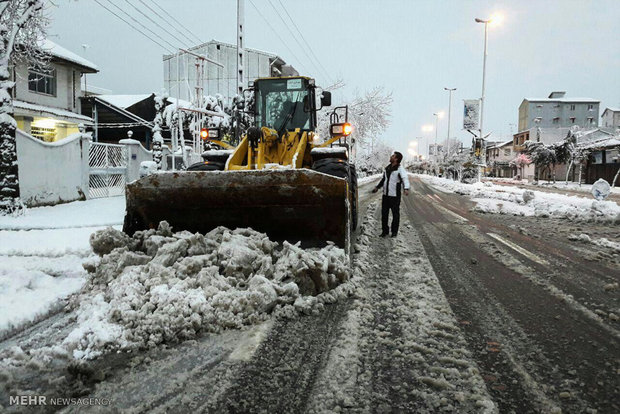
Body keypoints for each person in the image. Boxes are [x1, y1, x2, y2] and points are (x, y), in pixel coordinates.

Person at [372, 151, 410, 237]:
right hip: (386, 195)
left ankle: (394, 232)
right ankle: (385, 231)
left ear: (396, 159)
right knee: (384, 214)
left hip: (395, 196)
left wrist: (406, 188)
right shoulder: (387, 168)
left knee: (395, 215)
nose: (391, 157)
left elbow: (405, 179)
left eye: (393, 156)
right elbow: (384, 180)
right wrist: (377, 187)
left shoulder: (400, 169)